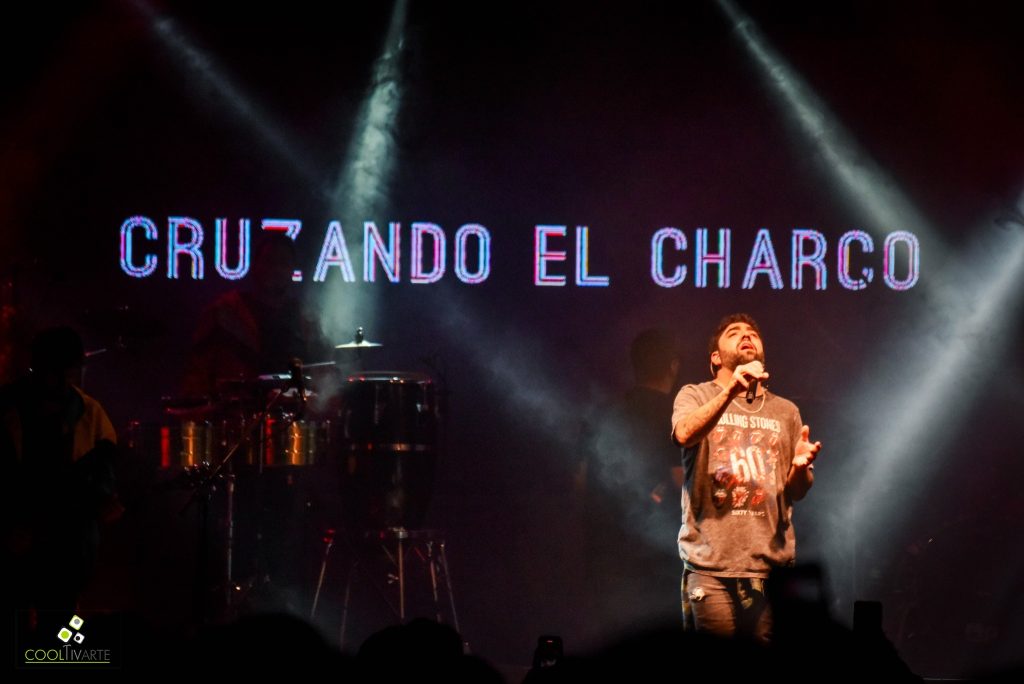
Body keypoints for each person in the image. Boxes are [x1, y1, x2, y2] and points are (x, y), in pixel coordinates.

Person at [671, 313, 821, 643]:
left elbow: (799, 490)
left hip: (772, 570)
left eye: (753, 332)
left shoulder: (786, 411)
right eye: (734, 332)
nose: (746, 335)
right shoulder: (694, 395)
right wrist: (731, 390)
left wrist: (799, 469)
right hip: (711, 566)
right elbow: (683, 433)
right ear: (715, 357)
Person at [0, 326, 121, 627]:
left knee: (58, 628)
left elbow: (102, 480)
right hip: (17, 543)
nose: (69, 378)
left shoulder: (89, 413)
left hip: (65, 550)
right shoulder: (7, 410)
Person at [583, 329, 683, 638]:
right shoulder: (679, 417)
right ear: (673, 366)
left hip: (606, 549)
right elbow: (681, 482)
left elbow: (580, 477)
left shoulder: (606, 412)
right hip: (661, 553)